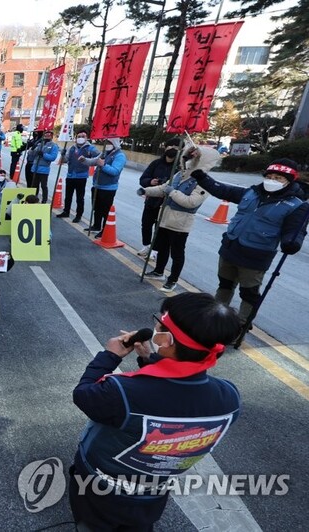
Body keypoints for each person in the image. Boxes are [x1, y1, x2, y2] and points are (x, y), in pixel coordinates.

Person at [70, 292, 242, 530]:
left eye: (159, 324)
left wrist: (109, 356)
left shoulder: (121, 392)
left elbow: (84, 395)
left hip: (100, 484)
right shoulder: (229, 398)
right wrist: (151, 360)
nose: (155, 327)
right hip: (154, 489)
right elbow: (173, 398)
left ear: (167, 339)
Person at [192, 158, 309, 326]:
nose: (272, 180)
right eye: (270, 176)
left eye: (279, 178)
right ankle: (216, 317)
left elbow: (295, 230)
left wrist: (292, 242)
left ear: (289, 181)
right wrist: (202, 178)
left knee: (249, 293)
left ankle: (241, 325)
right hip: (231, 247)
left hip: (256, 256)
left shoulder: (297, 205)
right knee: (225, 285)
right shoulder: (252, 192)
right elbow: (223, 191)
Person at [141, 146, 219, 292]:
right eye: (191, 153)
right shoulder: (181, 174)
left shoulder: (204, 181)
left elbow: (191, 202)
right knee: (161, 248)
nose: (193, 155)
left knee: (177, 253)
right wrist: (146, 191)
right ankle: (158, 271)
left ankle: (173, 280)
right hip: (165, 217)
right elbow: (164, 188)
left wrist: (172, 192)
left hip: (180, 223)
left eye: (197, 154)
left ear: (205, 159)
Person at [136, 138, 181, 257]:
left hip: (167, 203)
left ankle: (155, 250)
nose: (172, 149)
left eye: (176, 147)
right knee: (146, 223)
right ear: (165, 147)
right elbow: (142, 180)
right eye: (170, 146)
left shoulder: (180, 167)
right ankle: (146, 245)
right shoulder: (156, 163)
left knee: (160, 228)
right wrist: (151, 181)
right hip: (152, 200)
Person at [83, 137, 127, 237]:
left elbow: (115, 171)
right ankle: (96, 225)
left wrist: (103, 165)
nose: (106, 144)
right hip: (97, 185)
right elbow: (94, 161)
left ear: (115, 143)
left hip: (108, 188)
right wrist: (84, 160)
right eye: (105, 142)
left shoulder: (119, 156)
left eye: (109, 142)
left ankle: (105, 229)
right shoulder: (104, 153)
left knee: (105, 210)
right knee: (96, 208)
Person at [57, 129, 100, 223]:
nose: (80, 138)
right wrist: (62, 155)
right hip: (70, 175)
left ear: (86, 138)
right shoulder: (72, 148)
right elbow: (65, 160)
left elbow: (99, 157)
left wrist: (89, 160)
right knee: (68, 196)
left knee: (80, 198)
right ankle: (66, 211)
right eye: (79, 136)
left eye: (83, 136)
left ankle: (78, 215)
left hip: (81, 176)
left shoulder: (90, 148)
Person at [29, 129, 59, 203]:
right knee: (34, 185)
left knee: (43, 186)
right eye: (46, 135)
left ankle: (44, 200)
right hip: (35, 168)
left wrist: (44, 154)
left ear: (52, 136)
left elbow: (53, 157)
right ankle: (33, 199)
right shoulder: (40, 144)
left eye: (49, 135)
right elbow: (31, 154)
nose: (47, 136)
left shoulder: (53, 146)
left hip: (44, 169)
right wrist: (32, 149)